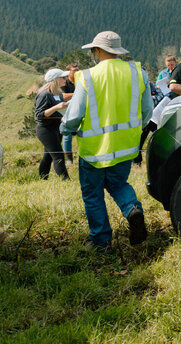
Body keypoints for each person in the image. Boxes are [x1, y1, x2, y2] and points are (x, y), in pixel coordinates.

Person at [60, 31, 152, 254]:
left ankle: (101, 242)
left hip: (94, 150)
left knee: (93, 195)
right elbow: (147, 110)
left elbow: (74, 115)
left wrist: (65, 129)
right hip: (125, 146)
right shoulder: (137, 72)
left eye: (93, 50)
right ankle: (132, 208)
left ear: (99, 51)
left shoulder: (88, 76)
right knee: (119, 184)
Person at [34, 69, 72, 180]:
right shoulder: (44, 94)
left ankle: (43, 179)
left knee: (48, 156)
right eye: (63, 77)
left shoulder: (58, 94)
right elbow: (39, 115)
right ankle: (66, 182)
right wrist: (57, 107)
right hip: (46, 130)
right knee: (58, 155)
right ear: (55, 80)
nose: (65, 79)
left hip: (56, 128)